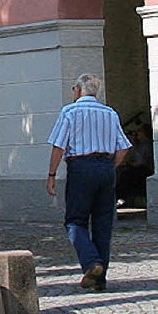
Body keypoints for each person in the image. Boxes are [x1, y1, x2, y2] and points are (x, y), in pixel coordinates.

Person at [46, 72, 131, 292]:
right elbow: (123, 147)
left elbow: (58, 146)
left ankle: (92, 263)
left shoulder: (70, 111)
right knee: (103, 225)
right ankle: (99, 280)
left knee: (75, 221)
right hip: (105, 167)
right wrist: (109, 167)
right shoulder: (110, 113)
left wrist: (52, 174)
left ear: (77, 90)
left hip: (81, 168)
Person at [116, 122, 154, 206]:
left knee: (125, 174)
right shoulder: (141, 145)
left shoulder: (146, 145)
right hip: (140, 169)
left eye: (139, 131)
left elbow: (140, 163)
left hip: (145, 170)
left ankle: (121, 197)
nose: (137, 133)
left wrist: (128, 164)